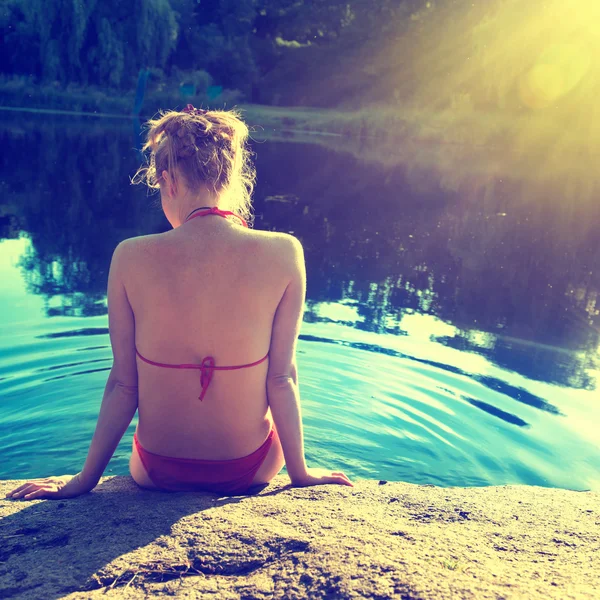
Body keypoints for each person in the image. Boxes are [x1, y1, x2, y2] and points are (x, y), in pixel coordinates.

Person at [6, 105, 352, 500]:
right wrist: (301, 472)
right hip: (251, 468)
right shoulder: (284, 252)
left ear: (167, 181)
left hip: (157, 471)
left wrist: (83, 480)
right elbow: (282, 379)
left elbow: (123, 384)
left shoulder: (129, 256)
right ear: (234, 178)